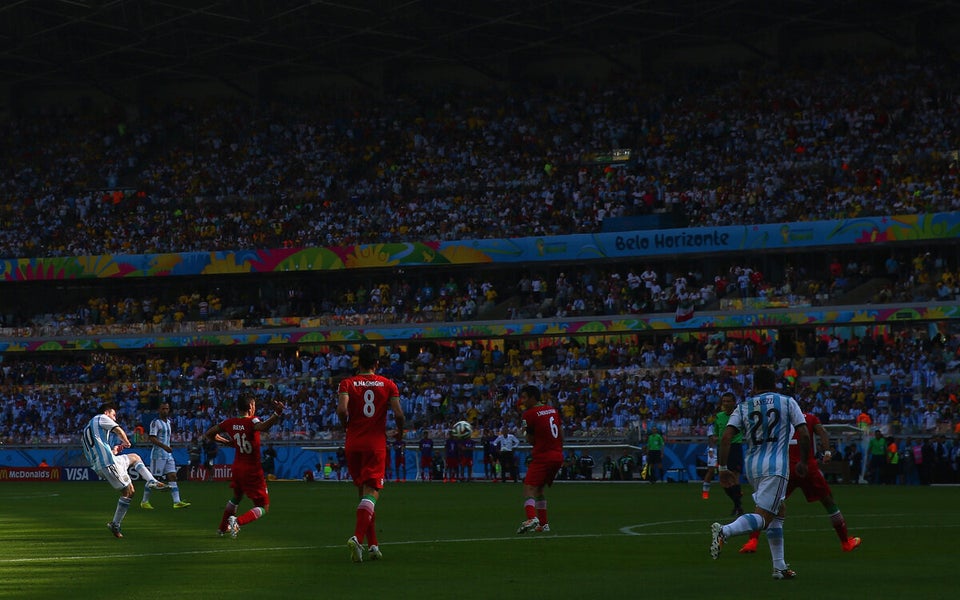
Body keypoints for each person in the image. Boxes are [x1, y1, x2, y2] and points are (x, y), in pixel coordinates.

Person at [710, 366, 809, 580]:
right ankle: (725, 531)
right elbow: (803, 432)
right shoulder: (787, 402)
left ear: (754, 386)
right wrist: (802, 460)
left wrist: (723, 468)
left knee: (779, 511)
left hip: (753, 466)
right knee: (764, 517)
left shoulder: (743, 406)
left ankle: (779, 567)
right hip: (776, 466)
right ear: (774, 384)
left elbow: (726, 437)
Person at [739, 411, 862, 554]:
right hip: (807, 466)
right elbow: (822, 432)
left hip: (786, 468)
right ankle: (846, 542)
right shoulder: (810, 418)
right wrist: (827, 452)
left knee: (767, 503)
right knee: (828, 501)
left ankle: (752, 541)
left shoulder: (779, 419)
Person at [337, 344, 406, 563]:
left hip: (353, 443)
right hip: (375, 443)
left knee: (363, 495)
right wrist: (401, 432)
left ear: (359, 362)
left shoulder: (347, 383)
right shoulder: (388, 384)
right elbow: (399, 414)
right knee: (373, 492)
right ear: (377, 363)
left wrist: (345, 425)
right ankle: (357, 538)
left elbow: (341, 410)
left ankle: (373, 545)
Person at [203, 393, 285, 538]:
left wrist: (227, 442)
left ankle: (222, 528)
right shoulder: (252, 421)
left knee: (236, 497)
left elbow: (209, 434)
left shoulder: (229, 422)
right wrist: (276, 413)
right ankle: (236, 522)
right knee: (264, 506)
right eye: (254, 405)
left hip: (237, 468)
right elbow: (264, 427)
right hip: (252, 470)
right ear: (250, 406)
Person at [81, 402, 168, 538]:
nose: (114, 418)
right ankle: (115, 524)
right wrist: (126, 441)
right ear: (106, 413)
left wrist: (114, 450)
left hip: (105, 462)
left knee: (134, 457)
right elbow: (118, 430)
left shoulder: (88, 429)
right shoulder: (100, 418)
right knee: (128, 492)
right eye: (113, 415)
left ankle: (151, 480)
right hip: (107, 464)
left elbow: (96, 451)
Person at [516, 384, 564, 534]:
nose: (522, 401)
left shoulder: (529, 414)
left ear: (532, 398)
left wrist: (524, 433)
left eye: (524, 397)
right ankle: (543, 524)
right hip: (557, 455)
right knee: (539, 489)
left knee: (528, 488)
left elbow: (531, 440)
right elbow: (561, 434)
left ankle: (532, 518)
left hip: (543, 455)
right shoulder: (552, 410)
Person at [141, 402, 191, 510]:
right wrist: (164, 447)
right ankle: (144, 501)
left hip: (168, 454)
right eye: (163, 409)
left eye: (167, 409)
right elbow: (152, 438)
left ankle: (177, 502)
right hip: (158, 454)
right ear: (159, 410)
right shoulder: (155, 423)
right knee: (153, 480)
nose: (165, 411)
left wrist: (167, 447)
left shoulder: (168, 422)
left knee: (172, 476)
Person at [714, 391, 746, 515]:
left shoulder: (739, 416)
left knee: (734, 476)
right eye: (724, 401)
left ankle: (738, 507)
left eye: (728, 401)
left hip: (734, 447)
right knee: (723, 480)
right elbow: (717, 433)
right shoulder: (719, 416)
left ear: (734, 402)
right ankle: (737, 503)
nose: (726, 403)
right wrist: (716, 438)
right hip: (721, 448)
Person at [701, 434, 718, 499]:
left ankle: (734, 490)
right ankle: (705, 492)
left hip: (721, 449)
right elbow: (711, 439)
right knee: (711, 471)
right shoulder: (711, 426)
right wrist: (710, 450)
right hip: (713, 450)